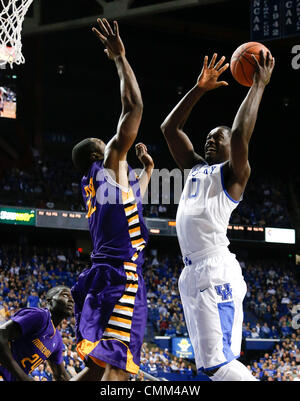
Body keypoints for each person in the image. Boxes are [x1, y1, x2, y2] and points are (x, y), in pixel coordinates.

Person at [161, 50, 274, 381]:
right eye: (207, 139)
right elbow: (170, 128)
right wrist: (198, 89)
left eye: (216, 139)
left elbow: (240, 134)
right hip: (191, 273)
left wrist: (258, 85)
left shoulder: (233, 174)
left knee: (221, 365)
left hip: (216, 270)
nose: (210, 142)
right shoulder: (197, 169)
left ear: (229, 147)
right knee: (210, 371)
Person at [70, 18, 154, 381]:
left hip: (103, 274)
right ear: (99, 153)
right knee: (117, 373)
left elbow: (128, 205)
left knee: (95, 371)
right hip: (122, 276)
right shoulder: (108, 166)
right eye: (107, 145)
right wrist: (121, 59)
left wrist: (147, 172)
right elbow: (134, 107)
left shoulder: (95, 185)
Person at [0, 285, 74, 381]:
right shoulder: (40, 316)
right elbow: (1, 334)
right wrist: (23, 377)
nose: (71, 300)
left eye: (72, 298)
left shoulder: (57, 339)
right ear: (49, 301)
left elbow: (61, 376)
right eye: (65, 295)